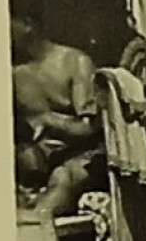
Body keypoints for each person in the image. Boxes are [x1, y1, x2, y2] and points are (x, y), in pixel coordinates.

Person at [10, 16, 105, 217]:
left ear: (27, 24)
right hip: (39, 160)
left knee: (63, 177)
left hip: (84, 156)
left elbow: (91, 128)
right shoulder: (12, 73)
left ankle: (37, 226)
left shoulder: (74, 62)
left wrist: (49, 121)